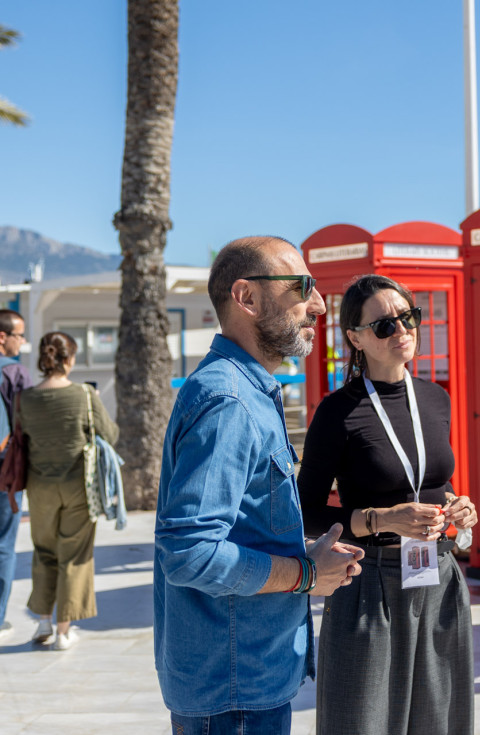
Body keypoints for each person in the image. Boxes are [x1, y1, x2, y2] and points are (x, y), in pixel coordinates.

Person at [155, 236, 364, 734]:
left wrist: (299, 551)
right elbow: (189, 553)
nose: (319, 305)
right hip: (234, 689)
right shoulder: (229, 401)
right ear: (246, 297)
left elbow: (233, 530)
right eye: (302, 288)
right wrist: (304, 574)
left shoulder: (244, 391)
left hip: (243, 677)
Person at [298, 273, 478, 735]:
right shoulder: (337, 412)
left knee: (442, 721)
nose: (402, 330)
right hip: (368, 580)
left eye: (408, 317)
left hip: (439, 575)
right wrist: (382, 519)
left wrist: (459, 505)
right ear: (355, 338)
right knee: (361, 721)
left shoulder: (435, 398)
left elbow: (430, 481)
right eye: (384, 325)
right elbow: (305, 511)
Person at [17, 331, 117, 650]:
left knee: (44, 551)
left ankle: (43, 621)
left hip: (39, 487)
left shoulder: (25, 398)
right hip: (78, 486)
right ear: (69, 358)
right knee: (74, 555)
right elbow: (110, 434)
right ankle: (64, 631)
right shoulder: (84, 395)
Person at [0, 309, 31, 642]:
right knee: (4, 544)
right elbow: (27, 425)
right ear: (2, 336)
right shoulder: (15, 372)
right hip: (4, 472)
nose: (22, 342)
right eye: (19, 335)